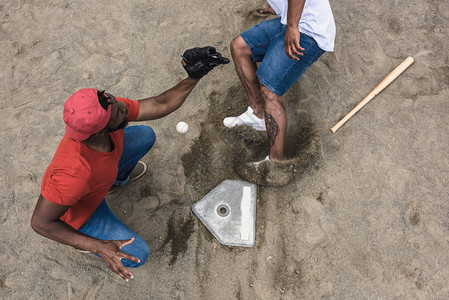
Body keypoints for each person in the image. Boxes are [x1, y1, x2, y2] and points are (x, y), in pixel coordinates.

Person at [31, 47, 229, 281]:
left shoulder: (105, 109)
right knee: (137, 253)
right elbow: (41, 223)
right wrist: (98, 246)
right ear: (101, 131)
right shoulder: (72, 174)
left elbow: (159, 104)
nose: (124, 108)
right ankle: (85, 240)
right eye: (118, 114)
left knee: (145, 135)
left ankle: (114, 181)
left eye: (115, 102)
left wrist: (193, 77)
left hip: (97, 179)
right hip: (82, 212)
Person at [223, 0, 336, 160]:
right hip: (291, 20)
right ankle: (259, 115)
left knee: (269, 92)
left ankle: (276, 163)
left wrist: (292, 26)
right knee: (239, 47)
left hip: (309, 30)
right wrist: (278, 7)